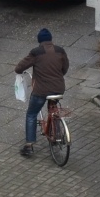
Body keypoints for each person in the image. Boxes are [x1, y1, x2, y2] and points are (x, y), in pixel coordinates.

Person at [15, 27, 70, 158]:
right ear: (51, 39)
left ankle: (29, 145)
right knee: (53, 106)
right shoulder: (60, 51)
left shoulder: (36, 52)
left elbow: (19, 68)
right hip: (58, 88)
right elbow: (65, 68)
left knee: (32, 113)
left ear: (39, 41)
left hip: (40, 90)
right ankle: (56, 130)